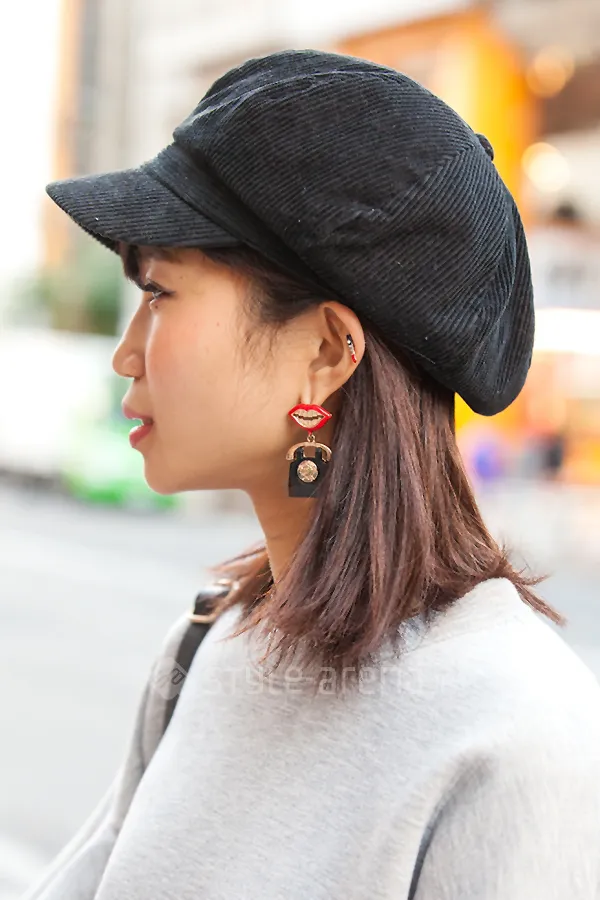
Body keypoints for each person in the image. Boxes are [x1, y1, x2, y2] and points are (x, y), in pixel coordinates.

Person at [26, 50, 600, 900]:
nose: (127, 353)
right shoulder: (206, 648)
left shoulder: (517, 733)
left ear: (329, 351)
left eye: (161, 294)